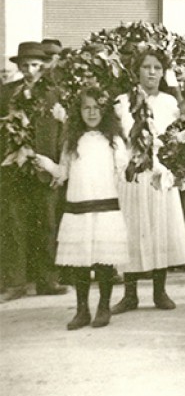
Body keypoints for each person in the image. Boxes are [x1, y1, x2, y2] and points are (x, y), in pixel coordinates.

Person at [33, 88, 129, 329]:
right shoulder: (71, 141)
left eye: (97, 107)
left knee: (104, 262)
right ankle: (82, 310)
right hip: (78, 208)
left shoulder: (114, 141)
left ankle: (104, 307)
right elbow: (63, 173)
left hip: (105, 207)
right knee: (80, 263)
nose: (92, 112)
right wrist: (46, 164)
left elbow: (122, 173)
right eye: (87, 108)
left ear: (105, 110)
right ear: (79, 111)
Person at [110, 48, 185, 314]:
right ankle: (130, 293)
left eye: (157, 67)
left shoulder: (170, 103)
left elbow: (178, 138)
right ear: (137, 71)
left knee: (160, 228)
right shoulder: (123, 101)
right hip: (132, 174)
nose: (152, 72)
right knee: (132, 229)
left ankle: (160, 291)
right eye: (146, 67)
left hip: (160, 175)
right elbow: (118, 139)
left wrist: (167, 165)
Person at [0, 41, 67, 300]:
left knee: (47, 224)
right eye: (25, 66)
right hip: (13, 171)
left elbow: (63, 133)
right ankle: (16, 283)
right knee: (14, 224)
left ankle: (47, 280)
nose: (30, 71)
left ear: (44, 66)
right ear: (18, 67)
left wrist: (59, 167)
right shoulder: (6, 94)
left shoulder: (54, 93)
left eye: (35, 65)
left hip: (44, 169)